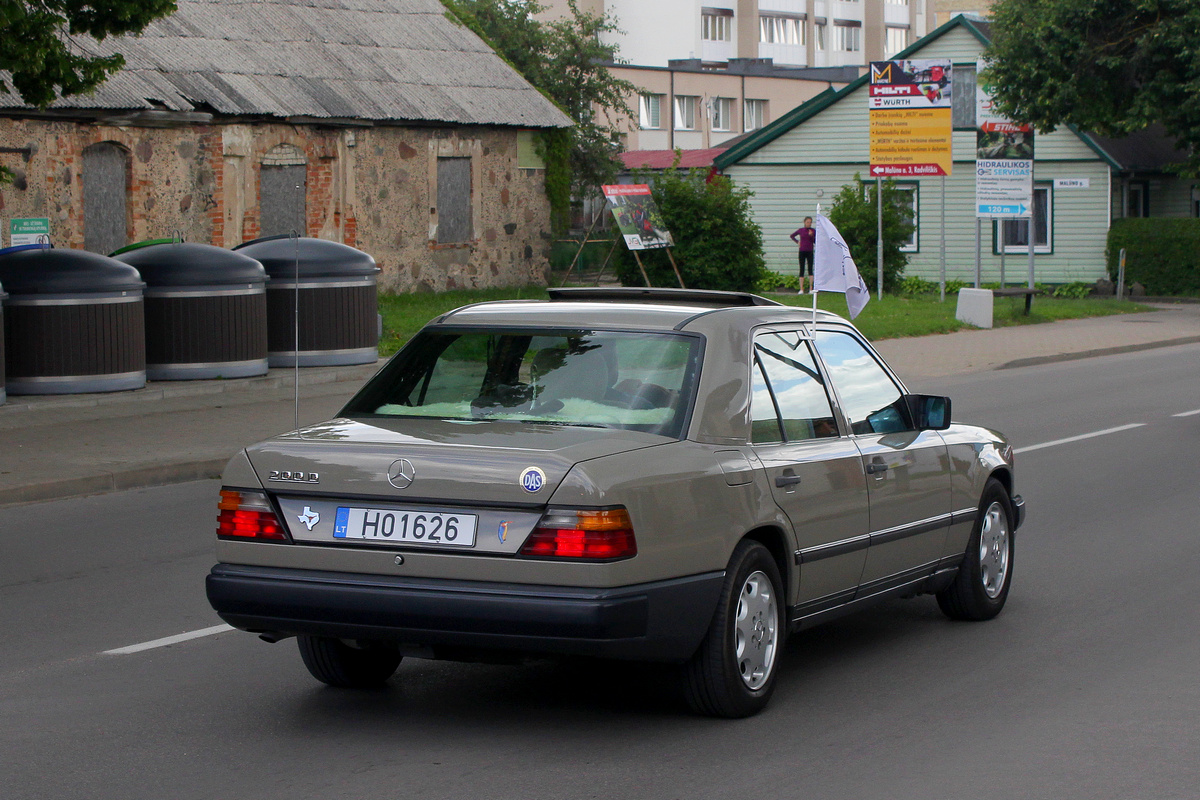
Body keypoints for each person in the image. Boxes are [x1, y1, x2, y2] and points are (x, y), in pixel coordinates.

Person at [790, 216, 816, 292]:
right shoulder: (801, 230)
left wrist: (811, 236)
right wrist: (798, 242)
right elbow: (792, 236)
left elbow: (815, 241)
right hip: (802, 251)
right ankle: (801, 288)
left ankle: (811, 288)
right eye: (808, 222)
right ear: (804, 222)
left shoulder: (813, 231)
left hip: (810, 251)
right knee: (802, 269)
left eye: (810, 222)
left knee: (810, 269)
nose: (809, 224)